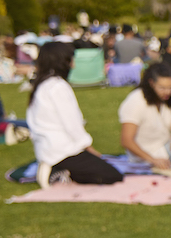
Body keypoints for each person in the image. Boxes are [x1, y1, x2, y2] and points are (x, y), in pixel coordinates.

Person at [25, 42, 122, 184]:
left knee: (101, 168)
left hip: (46, 149)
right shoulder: (58, 87)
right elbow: (71, 123)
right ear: (63, 62)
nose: (74, 65)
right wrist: (89, 148)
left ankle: (57, 169)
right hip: (63, 150)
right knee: (112, 176)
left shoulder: (42, 85)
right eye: (71, 60)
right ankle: (59, 173)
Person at [118, 64, 171, 170]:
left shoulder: (168, 100)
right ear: (151, 83)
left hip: (167, 148)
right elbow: (126, 140)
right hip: (147, 155)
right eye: (162, 88)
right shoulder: (136, 101)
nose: (168, 92)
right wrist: (153, 160)